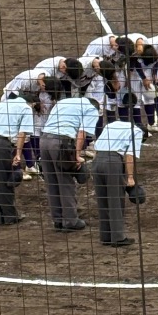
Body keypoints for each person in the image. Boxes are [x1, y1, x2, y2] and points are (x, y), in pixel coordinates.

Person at [39, 92, 99, 232]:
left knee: (52, 181)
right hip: (61, 143)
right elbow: (82, 133)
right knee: (65, 181)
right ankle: (71, 221)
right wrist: (77, 155)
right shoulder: (91, 108)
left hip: (44, 141)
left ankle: (58, 220)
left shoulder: (64, 102)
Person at [0, 91, 37, 225]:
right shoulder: (26, 108)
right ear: (32, 103)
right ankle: (10, 217)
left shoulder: (2, 104)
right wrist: (18, 154)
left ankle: (0, 215)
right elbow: (22, 133)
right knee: (5, 180)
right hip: (1, 145)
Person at [92, 102, 144, 247]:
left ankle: (106, 236)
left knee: (102, 199)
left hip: (97, 161)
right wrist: (130, 178)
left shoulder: (111, 125)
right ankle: (118, 237)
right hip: (113, 162)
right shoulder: (137, 132)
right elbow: (129, 155)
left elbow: (97, 147)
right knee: (115, 199)